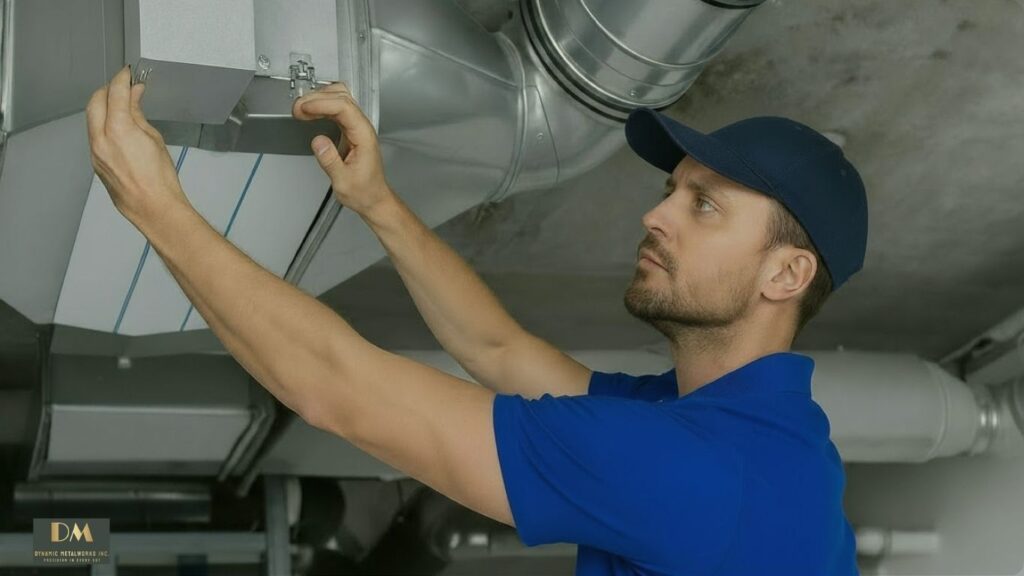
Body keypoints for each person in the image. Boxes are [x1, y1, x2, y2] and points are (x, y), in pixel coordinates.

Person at [86, 65, 865, 575]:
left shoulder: (697, 470)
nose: (656, 215)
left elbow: (339, 391)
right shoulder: (748, 427)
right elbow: (501, 350)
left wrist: (157, 207)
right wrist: (379, 205)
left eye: (704, 205)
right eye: (672, 190)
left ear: (786, 274)